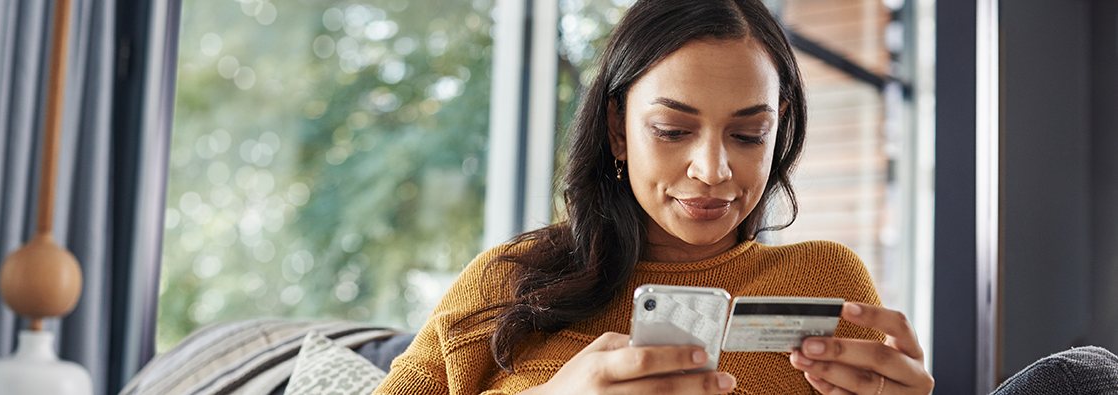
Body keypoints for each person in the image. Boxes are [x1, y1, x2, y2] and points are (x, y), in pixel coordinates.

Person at [372, 0, 935, 393]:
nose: (713, 171)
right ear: (618, 127)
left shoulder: (824, 280)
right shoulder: (511, 279)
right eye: (672, 130)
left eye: (748, 135)